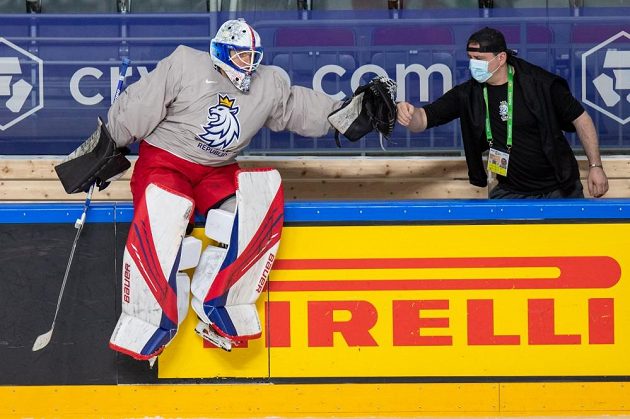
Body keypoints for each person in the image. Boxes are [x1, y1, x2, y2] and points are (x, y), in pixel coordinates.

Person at [105, 18, 343, 361]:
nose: (249, 64)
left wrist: (346, 114)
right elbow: (143, 102)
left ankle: (218, 299)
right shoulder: (185, 63)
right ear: (222, 52)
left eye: (253, 56)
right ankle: (147, 320)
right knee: (164, 222)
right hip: (166, 161)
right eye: (242, 56)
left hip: (218, 169)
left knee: (252, 212)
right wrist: (113, 138)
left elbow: (297, 107)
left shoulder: (267, 84)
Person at [397, 26, 609, 199]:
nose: (473, 64)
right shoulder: (468, 94)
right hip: (511, 192)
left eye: (479, 58)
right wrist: (409, 114)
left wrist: (595, 166)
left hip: (559, 189)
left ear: (500, 59)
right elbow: (424, 119)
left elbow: (582, 119)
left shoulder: (541, 84)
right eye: (470, 57)